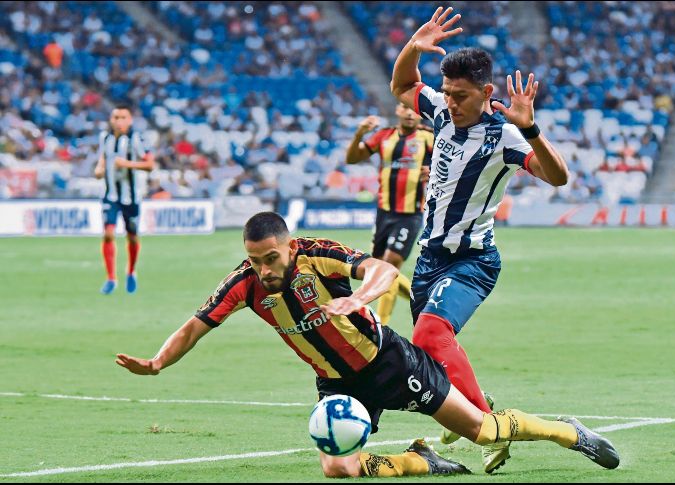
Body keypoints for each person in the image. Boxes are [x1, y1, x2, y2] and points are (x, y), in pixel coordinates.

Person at [115, 212, 619, 478]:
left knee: (482, 432)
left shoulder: (319, 255)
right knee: (339, 469)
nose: (264, 269)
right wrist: (159, 362)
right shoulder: (245, 284)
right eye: (255, 260)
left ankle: (566, 431)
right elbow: (195, 325)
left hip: (392, 364)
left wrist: (357, 297)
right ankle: (422, 462)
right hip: (337, 385)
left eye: (271, 257)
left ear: (289, 246)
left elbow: (383, 269)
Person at [390, 6, 570, 472]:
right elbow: (404, 86)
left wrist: (530, 128)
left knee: (430, 332)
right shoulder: (441, 115)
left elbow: (558, 177)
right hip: (429, 258)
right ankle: (473, 403)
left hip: (473, 260)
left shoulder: (504, 136)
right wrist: (414, 45)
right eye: (447, 93)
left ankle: (492, 428)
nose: (450, 102)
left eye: (461, 95)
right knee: (428, 350)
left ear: (487, 93)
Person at [345, 104, 433, 324]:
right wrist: (359, 134)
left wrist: (433, 171)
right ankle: (420, 299)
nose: (411, 113)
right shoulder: (384, 136)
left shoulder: (427, 137)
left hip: (409, 213)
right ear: (398, 110)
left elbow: (450, 162)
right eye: (406, 108)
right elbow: (352, 159)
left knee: (389, 265)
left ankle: (381, 324)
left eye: (415, 109)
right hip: (384, 212)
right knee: (379, 269)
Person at [94, 103, 155, 294]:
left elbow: (150, 164)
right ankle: (111, 278)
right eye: (115, 117)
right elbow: (103, 158)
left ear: (129, 120)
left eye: (123, 117)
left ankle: (131, 271)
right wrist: (99, 168)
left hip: (131, 197)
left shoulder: (136, 139)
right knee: (108, 233)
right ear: (111, 120)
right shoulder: (105, 137)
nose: (118, 121)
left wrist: (127, 164)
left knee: (132, 237)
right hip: (110, 195)